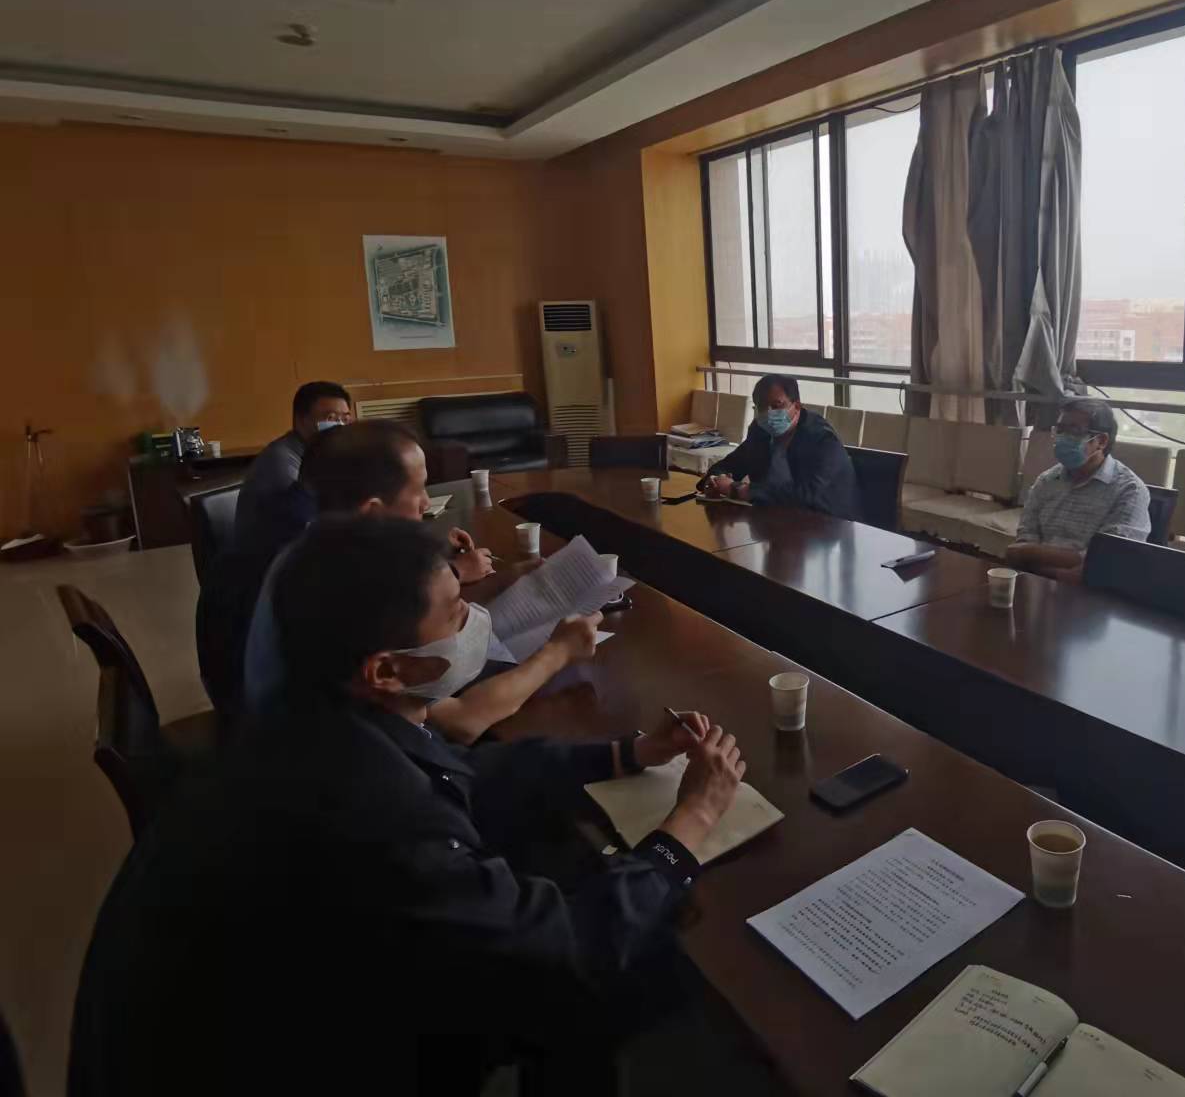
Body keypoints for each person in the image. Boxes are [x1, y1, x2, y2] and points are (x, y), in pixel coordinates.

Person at [72, 515, 746, 1095]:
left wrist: (626, 754)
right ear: (385, 670)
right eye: (455, 614)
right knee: (615, 977)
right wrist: (689, 823)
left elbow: (460, 770)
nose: (476, 621)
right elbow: (564, 947)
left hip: (283, 1005)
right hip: (277, 1063)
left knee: (556, 859)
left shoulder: (312, 718)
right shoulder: (364, 808)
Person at [239, 421, 526, 732]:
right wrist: (556, 653)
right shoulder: (341, 585)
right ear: (374, 514)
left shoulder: (316, 549)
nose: (426, 503)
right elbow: (461, 721)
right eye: (418, 490)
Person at [1005, 398, 1150, 585]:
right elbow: (1022, 545)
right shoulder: (1047, 481)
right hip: (1036, 587)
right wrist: (1059, 569)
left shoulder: (1129, 491)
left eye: (1074, 431)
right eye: (1060, 430)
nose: (1062, 438)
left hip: (1093, 595)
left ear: (1101, 441)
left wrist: (1032, 554)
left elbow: (1107, 562)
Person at [700, 375, 858, 519]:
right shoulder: (760, 431)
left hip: (826, 524)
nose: (768, 413)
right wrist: (714, 481)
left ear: (797, 406)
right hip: (771, 520)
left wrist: (741, 490)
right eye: (761, 407)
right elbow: (731, 464)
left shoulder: (822, 439)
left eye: (777, 406)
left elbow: (809, 494)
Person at [233, 379, 353, 543]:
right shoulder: (281, 462)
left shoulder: (321, 453)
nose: (340, 426)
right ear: (302, 419)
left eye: (345, 419)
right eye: (331, 418)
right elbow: (306, 519)